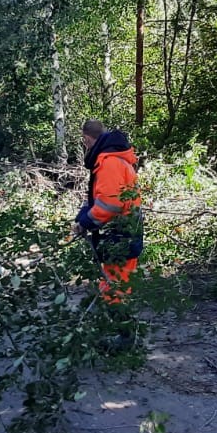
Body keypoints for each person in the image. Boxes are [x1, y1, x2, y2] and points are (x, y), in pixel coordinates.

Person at [73, 119, 144, 305]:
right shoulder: (115, 159)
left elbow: (109, 205)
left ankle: (122, 328)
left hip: (120, 235)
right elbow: (107, 198)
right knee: (117, 284)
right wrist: (85, 213)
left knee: (116, 288)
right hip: (124, 231)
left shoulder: (109, 162)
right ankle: (119, 324)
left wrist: (85, 222)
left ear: (87, 139)